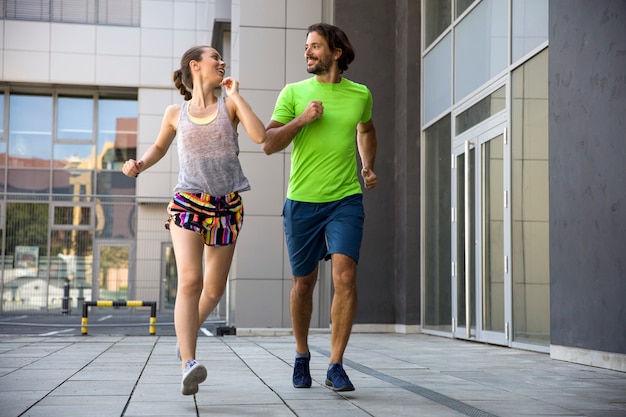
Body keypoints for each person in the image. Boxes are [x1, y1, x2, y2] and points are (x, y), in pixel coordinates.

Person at [122, 45, 265, 396]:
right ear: (196, 65)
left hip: (227, 205)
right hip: (188, 202)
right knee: (190, 280)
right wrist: (139, 163)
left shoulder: (229, 105)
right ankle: (189, 361)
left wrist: (236, 94)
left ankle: (183, 338)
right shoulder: (175, 112)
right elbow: (158, 147)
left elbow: (260, 136)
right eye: (215, 57)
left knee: (214, 291)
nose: (222, 61)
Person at [263, 23, 378, 392]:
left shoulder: (360, 94)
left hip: (345, 198)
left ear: (336, 52)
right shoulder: (294, 93)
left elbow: (366, 129)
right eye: (306, 47)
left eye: (315, 46)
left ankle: (336, 364)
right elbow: (268, 143)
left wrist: (368, 165)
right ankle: (301, 354)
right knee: (304, 283)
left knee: (345, 276)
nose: (307, 52)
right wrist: (303, 119)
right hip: (302, 201)